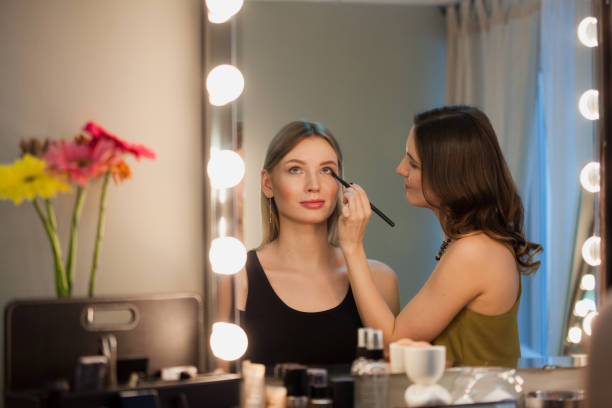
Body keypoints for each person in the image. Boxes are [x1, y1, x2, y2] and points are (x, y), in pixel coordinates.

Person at [338, 106, 542, 367]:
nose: (401, 169)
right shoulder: (473, 243)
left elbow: (390, 343)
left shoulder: (474, 251)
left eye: (413, 163)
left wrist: (352, 247)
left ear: (450, 176)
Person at [237, 120, 399, 367]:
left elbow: (394, 375)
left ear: (341, 182)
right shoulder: (240, 279)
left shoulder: (381, 278)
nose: (313, 185)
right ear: (268, 184)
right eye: (295, 170)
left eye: (326, 170)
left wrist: (353, 249)